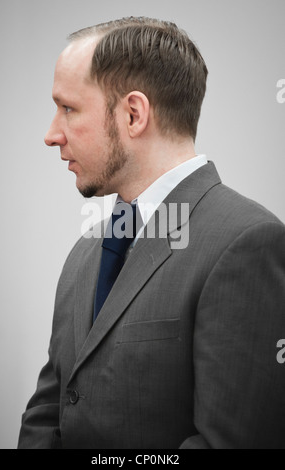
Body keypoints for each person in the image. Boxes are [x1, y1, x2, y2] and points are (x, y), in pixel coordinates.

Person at [18, 16, 285, 449]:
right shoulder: (85, 253)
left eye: (68, 108)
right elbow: (48, 410)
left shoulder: (247, 242)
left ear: (134, 114)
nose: (52, 134)